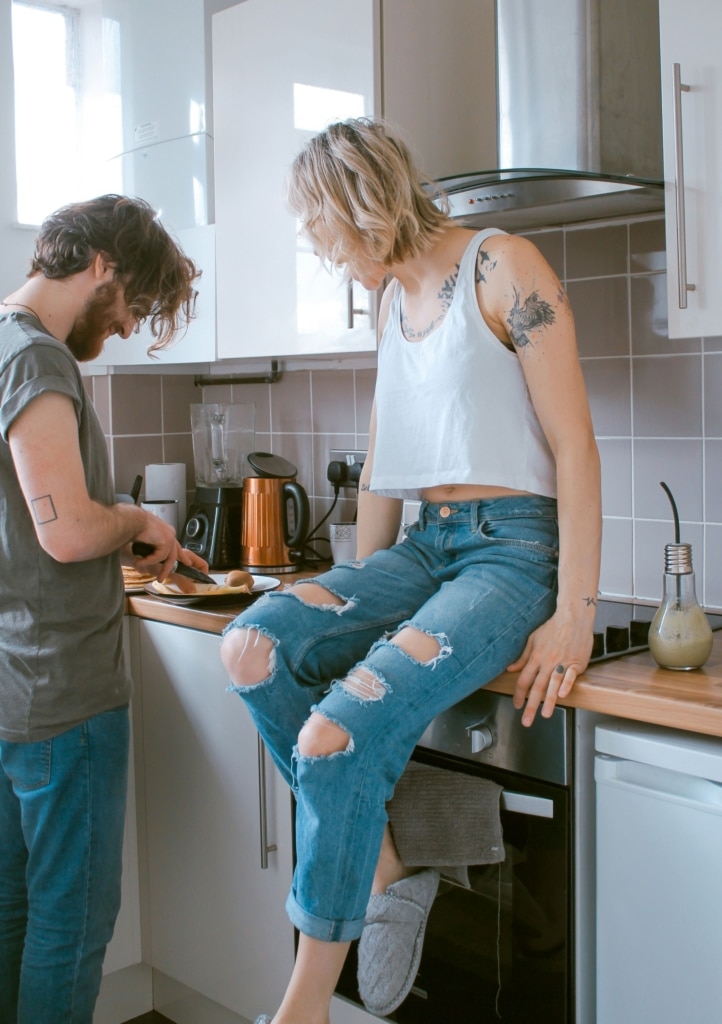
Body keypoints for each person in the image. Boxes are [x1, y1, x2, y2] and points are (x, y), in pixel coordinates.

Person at [220, 118, 601, 1024]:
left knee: (331, 738)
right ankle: (388, 853)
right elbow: (388, 453)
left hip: (515, 551)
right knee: (251, 646)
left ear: (363, 205)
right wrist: (353, 592)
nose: (331, 258)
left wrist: (576, 609)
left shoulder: (504, 268)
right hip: (424, 549)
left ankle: (303, 1006)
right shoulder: (390, 300)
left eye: (330, 236)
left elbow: (575, 446)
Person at [0, 194, 209, 1023]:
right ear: (103, 265)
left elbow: (31, 517)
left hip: (15, 682)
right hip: (63, 690)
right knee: (71, 923)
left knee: (18, 908)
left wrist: (116, 528)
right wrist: (132, 519)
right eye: (135, 304)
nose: (128, 326)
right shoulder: (38, 359)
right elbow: (66, 530)